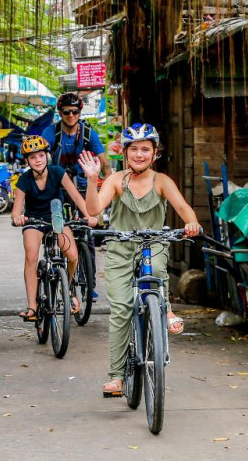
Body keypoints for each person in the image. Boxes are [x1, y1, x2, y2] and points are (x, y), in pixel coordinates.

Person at [80, 123, 202, 397]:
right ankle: (117, 376)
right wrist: (91, 180)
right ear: (125, 153)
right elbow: (93, 209)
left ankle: (166, 310)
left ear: (154, 153)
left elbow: (182, 207)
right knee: (122, 309)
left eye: (145, 149)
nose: (139, 154)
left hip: (153, 242)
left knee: (158, 269)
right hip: (120, 247)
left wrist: (191, 222)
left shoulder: (162, 181)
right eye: (133, 149)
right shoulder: (115, 181)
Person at [11, 135, 95, 321]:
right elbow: (16, 210)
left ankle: (69, 288)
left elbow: (75, 196)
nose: (38, 160)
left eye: (41, 155)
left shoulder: (57, 172)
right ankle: (32, 306)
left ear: (47, 156)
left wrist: (88, 215)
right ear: (27, 161)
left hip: (57, 219)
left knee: (72, 255)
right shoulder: (24, 180)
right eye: (32, 157)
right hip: (34, 221)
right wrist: (18, 218)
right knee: (31, 256)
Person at [45, 92, 111, 299]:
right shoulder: (52, 132)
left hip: (82, 187)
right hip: (58, 187)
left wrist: (107, 191)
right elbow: (42, 154)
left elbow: (105, 165)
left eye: (75, 112)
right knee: (54, 228)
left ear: (80, 112)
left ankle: (89, 285)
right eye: (66, 112)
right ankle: (53, 262)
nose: (71, 116)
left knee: (86, 232)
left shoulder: (88, 133)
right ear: (60, 113)